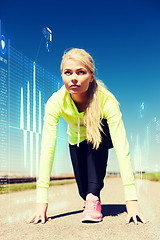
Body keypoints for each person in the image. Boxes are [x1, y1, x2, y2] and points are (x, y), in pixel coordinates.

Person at [26, 48, 148, 225]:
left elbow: (123, 150)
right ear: (62, 75)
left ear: (91, 76)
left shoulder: (106, 100)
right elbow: (47, 150)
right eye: (68, 72)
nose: (73, 78)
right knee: (83, 190)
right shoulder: (55, 102)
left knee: (91, 189)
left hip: (100, 136)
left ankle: (92, 199)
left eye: (80, 72)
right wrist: (41, 203)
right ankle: (89, 196)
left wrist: (132, 201)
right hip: (75, 140)